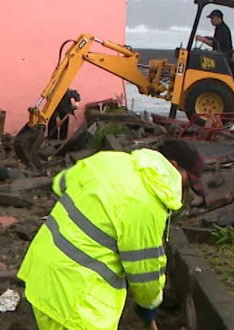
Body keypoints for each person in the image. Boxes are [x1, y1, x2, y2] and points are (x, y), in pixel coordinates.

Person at [19, 139, 209, 330]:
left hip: (42, 276)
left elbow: (60, 184)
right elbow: (145, 272)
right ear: (173, 166)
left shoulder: (110, 160)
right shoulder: (148, 203)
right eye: (187, 183)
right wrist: (149, 305)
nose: (183, 194)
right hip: (78, 303)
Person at [195, 9, 234, 85]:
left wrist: (202, 39)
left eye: (212, 18)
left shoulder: (223, 29)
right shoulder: (219, 28)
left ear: (218, 18)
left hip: (223, 56)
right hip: (222, 54)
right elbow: (215, 40)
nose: (211, 21)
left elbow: (214, 44)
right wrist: (205, 38)